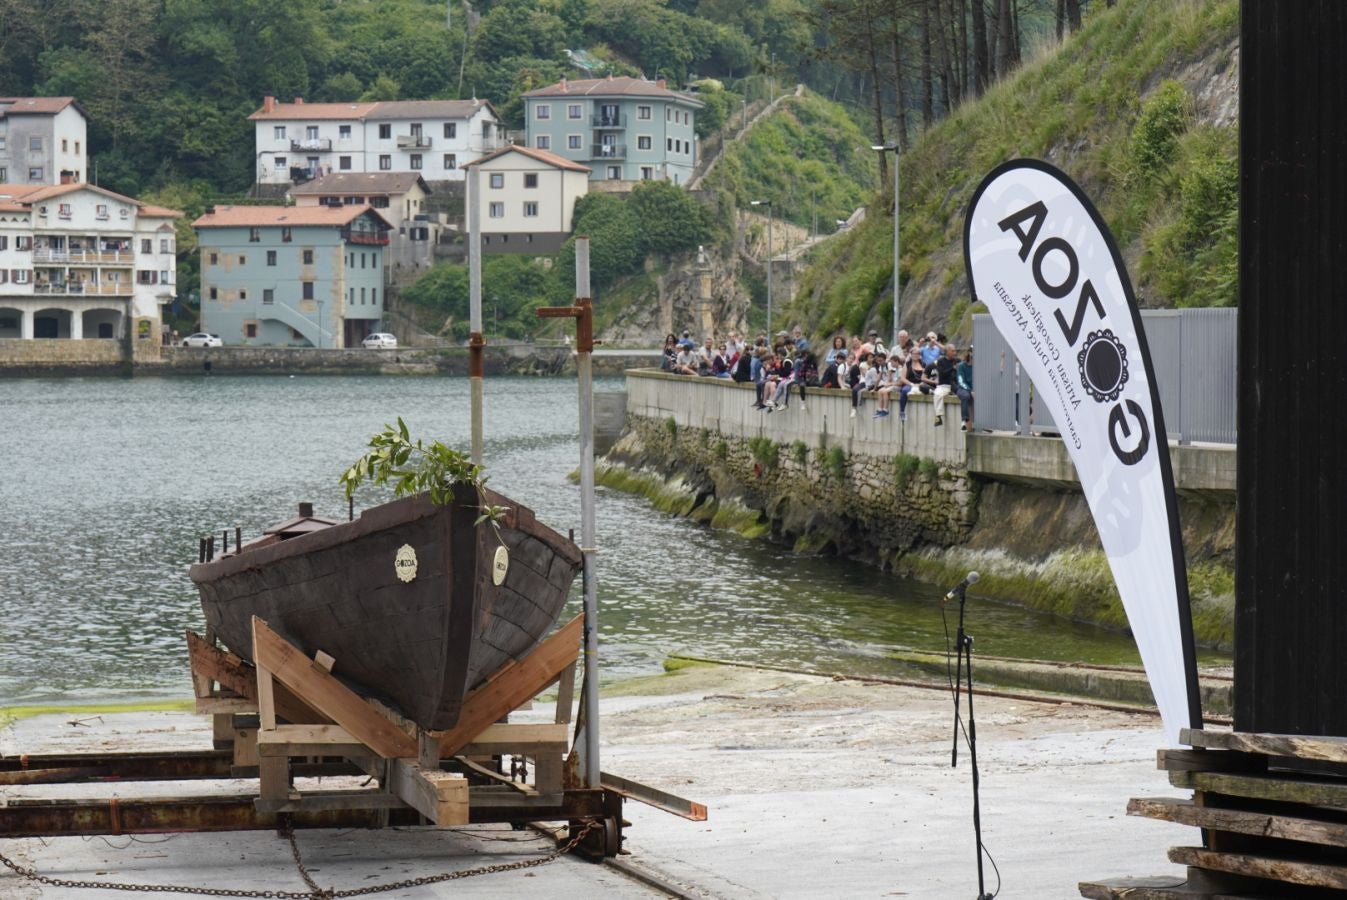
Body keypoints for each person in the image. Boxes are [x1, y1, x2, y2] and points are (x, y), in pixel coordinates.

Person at [933, 342, 958, 426]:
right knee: (937, 394)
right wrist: (952, 368)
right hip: (944, 385)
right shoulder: (940, 361)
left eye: (955, 351)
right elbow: (942, 373)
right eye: (952, 351)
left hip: (955, 384)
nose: (955, 353)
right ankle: (938, 416)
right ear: (947, 352)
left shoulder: (957, 360)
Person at [956, 346, 975, 431]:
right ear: (969, 353)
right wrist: (970, 390)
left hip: (973, 390)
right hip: (963, 389)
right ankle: (964, 421)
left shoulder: (978, 366)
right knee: (966, 396)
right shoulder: (961, 366)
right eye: (972, 352)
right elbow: (961, 381)